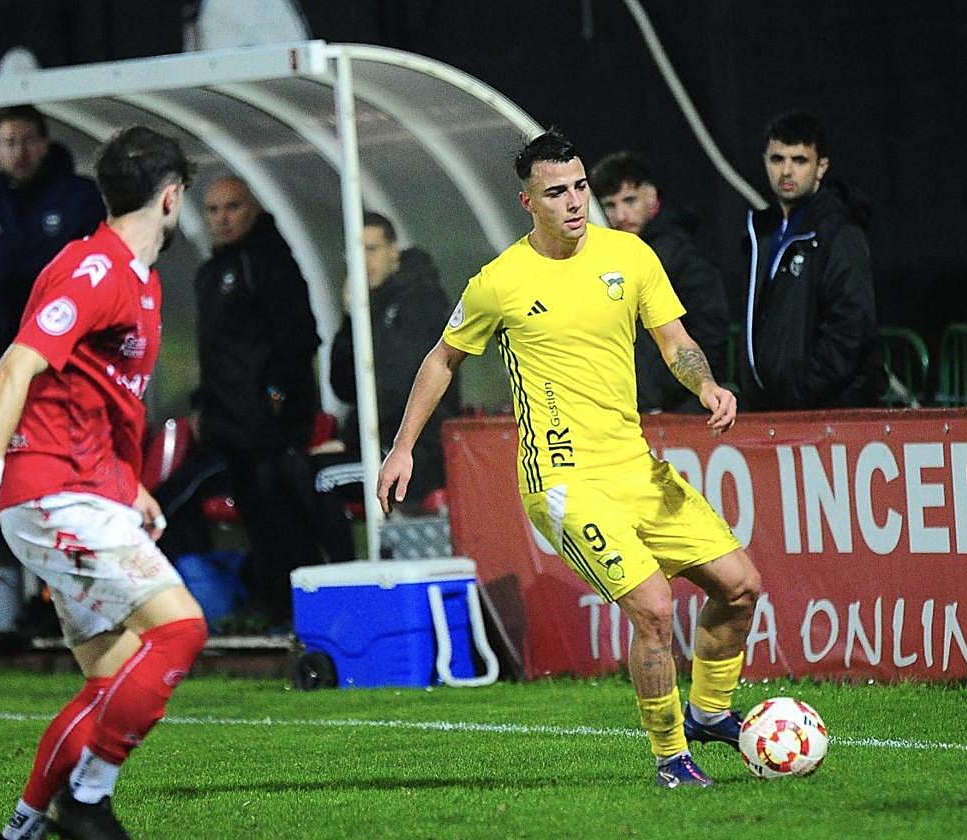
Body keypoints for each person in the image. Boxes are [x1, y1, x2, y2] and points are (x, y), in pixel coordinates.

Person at [377, 129, 761, 788]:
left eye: (581, 187)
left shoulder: (629, 255)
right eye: (558, 192)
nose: (576, 202)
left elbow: (674, 339)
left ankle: (709, 712)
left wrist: (706, 386)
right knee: (654, 606)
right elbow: (443, 358)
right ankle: (671, 757)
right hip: (562, 483)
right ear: (528, 202)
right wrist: (402, 447)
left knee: (742, 587)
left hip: (635, 468)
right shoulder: (500, 281)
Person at [0, 126, 204, 840]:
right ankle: (86, 798)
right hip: (50, 490)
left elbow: (101, 398)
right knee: (180, 630)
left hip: (85, 486)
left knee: (111, 676)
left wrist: (130, 486)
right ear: (172, 198)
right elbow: (15, 368)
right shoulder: (96, 271)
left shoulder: (138, 282)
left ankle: (23, 827)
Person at [193, 175, 322, 626]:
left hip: (271, 427)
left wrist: (278, 394)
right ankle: (272, 610)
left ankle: (302, 614)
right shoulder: (211, 272)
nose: (222, 218)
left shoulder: (268, 261)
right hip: (231, 425)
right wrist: (203, 404)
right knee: (258, 523)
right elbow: (215, 351)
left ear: (252, 208)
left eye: (232, 207)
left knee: (286, 520)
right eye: (212, 210)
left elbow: (299, 334)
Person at [314, 211, 459, 561]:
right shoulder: (371, 305)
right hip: (377, 444)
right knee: (291, 470)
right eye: (356, 251)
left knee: (320, 481)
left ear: (394, 251)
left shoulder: (419, 301)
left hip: (416, 452)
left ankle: (347, 578)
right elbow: (345, 387)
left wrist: (348, 439)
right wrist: (350, 320)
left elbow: (397, 387)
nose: (364, 261)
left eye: (372, 249)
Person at [739, 110, 886, 409]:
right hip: (772, 411)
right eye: (777, 159)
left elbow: (850, 325)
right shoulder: (762, 233)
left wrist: (805, 389)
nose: (787, 171)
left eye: (800, 160)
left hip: (827, 413)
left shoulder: (839, 231)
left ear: (822, 167)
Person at [0, 104, 106, 401]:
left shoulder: (79, 196)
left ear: (45, 145)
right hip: (12, 348)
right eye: (10, 143)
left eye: (29, 141)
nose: (20, 152)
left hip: (72, 350)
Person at [591, 151, 730, 412]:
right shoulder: (601, 257)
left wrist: (663, 391)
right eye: (610, 205)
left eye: (629, 200)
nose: (620, 215)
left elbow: (710, 331)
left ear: (652, 197)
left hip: (677, 409)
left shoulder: (683, 256)